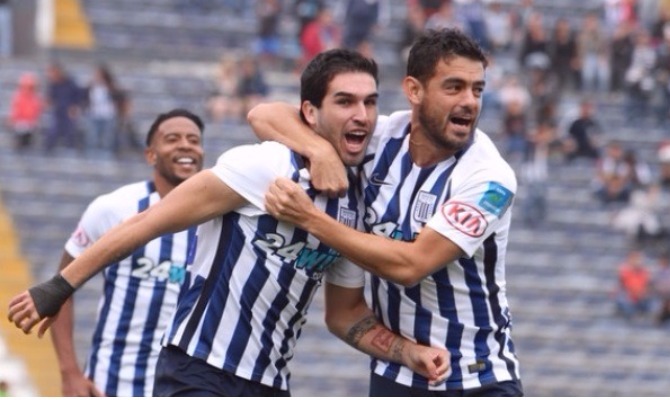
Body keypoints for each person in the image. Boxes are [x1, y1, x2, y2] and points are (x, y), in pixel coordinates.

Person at [8, 49, 450, 397]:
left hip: (271, 383)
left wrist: (405, 352)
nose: (363, 115)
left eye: (370, 102)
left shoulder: (356, 201)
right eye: (345, 101)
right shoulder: (266, 165)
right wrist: (59, 286)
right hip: (200, 371)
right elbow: (148, 222)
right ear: (310, 113)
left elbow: (345, 314)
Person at [248, 28, 523, 396]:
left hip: (476, 380)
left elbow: (410, 266)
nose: (469, 102)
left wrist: (310, 218)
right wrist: (320, 150)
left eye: (477, 89)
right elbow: (263, 115)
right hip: (394, 376)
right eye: (454, 87)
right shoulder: (381, 138)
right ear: (414, 90)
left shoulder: (490, 178)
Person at [49, 109, 205, 396]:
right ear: (151, 155)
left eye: (194, 140)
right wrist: (69, 371)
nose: (186, 145)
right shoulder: (113, 208)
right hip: (112, 383)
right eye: (173, 139)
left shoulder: (218, 219)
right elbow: (61, 289)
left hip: (188, 386)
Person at [7, 72, 43, 151]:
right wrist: (13, 119)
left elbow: (36, 111)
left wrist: (33, 120)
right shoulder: (18, 97)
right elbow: (15, 111)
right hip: (20, 121)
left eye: (30, 87)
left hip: (31, 122)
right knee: (20, 128)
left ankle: (27, 145)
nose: (27, 89)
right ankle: (19, 145)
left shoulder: (35, 98)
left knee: (29, 129)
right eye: (25, 86)